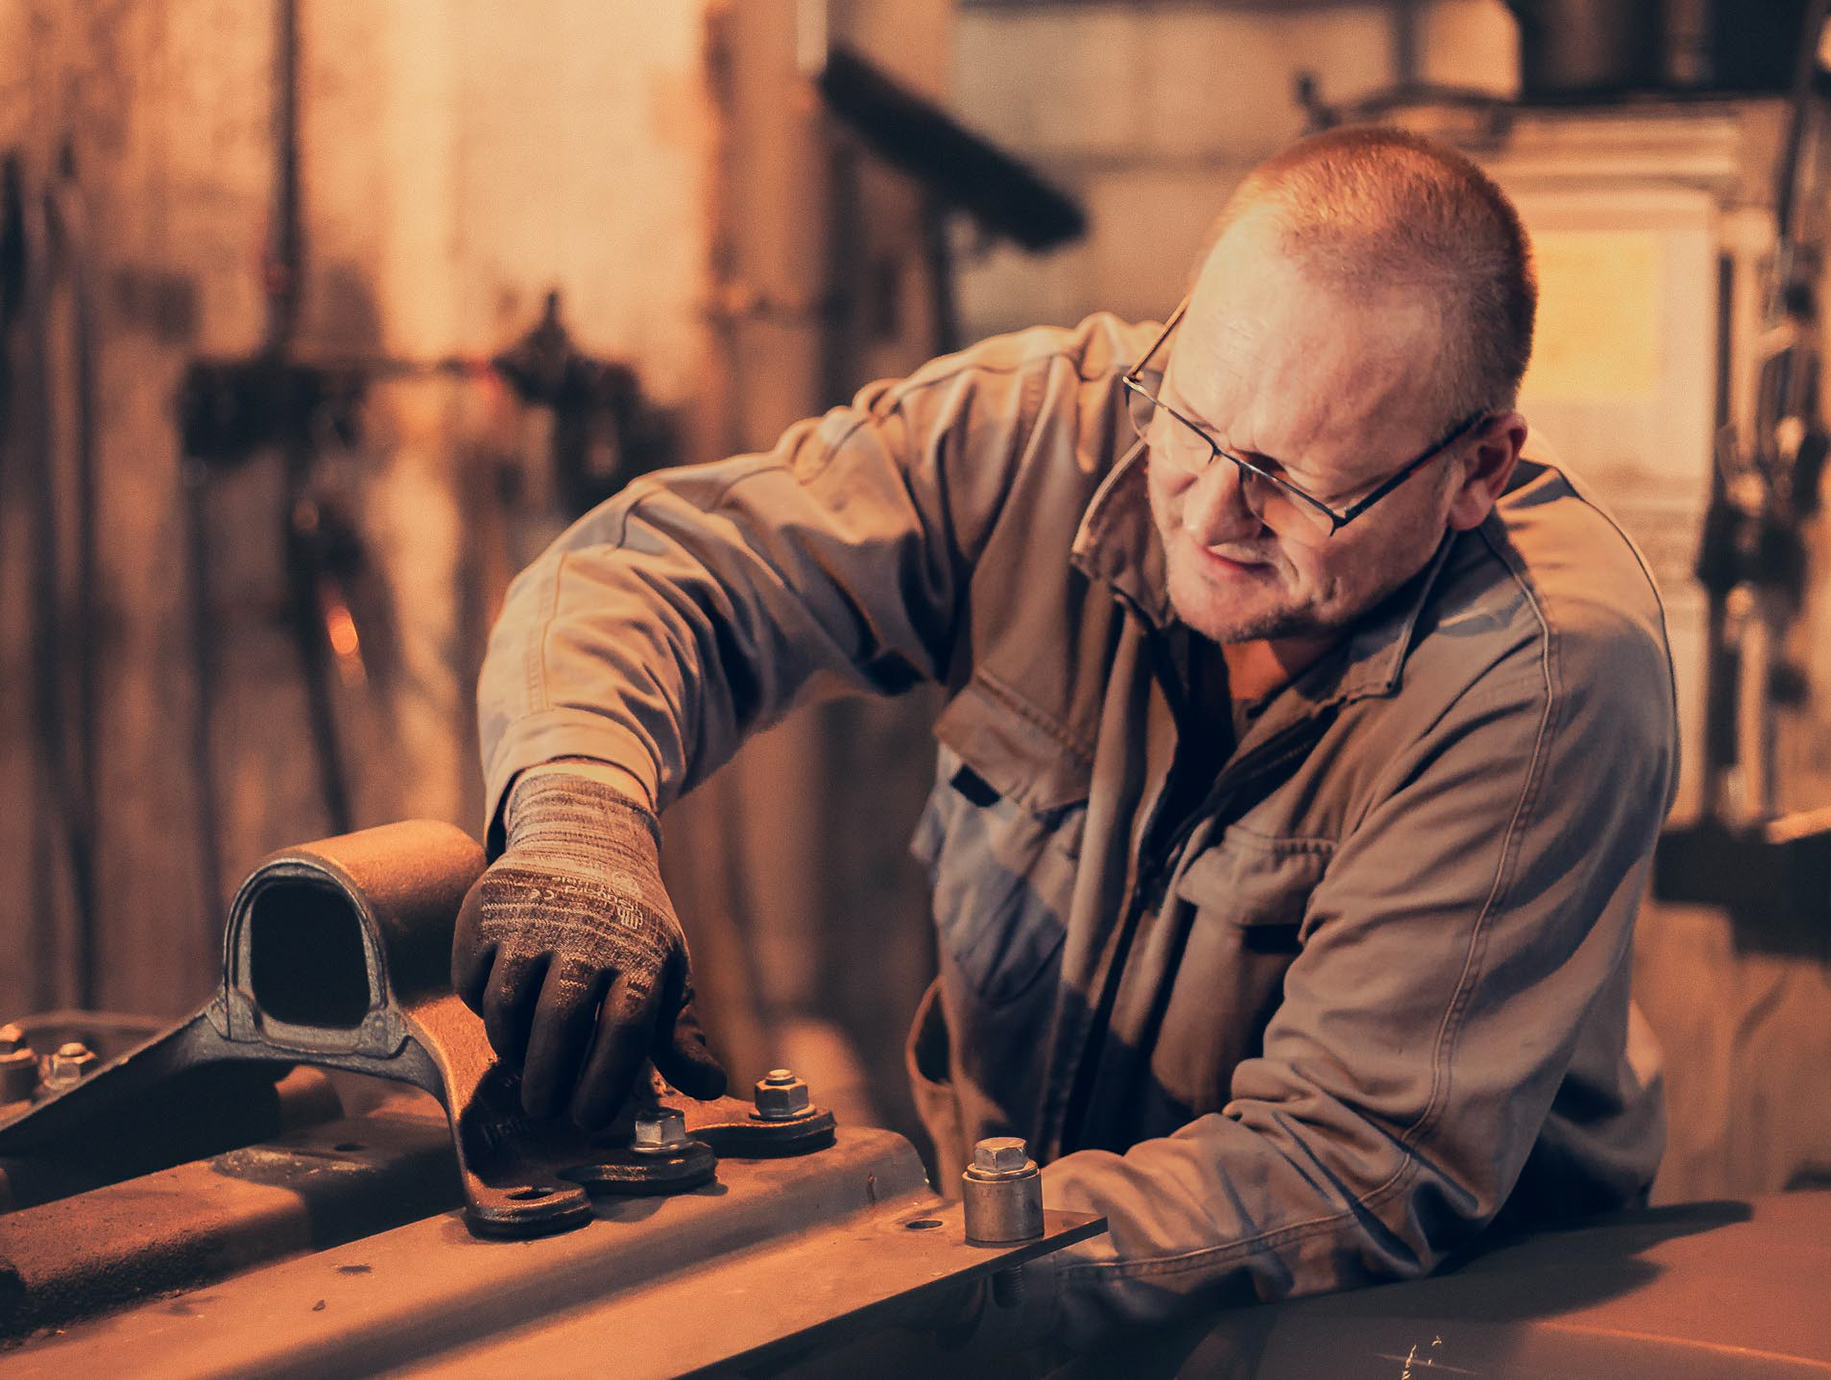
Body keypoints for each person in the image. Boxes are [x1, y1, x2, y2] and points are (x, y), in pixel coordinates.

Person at [454, 125, 1677, 1350]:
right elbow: (651, 572)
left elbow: (1346, 1162)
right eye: (1190, 418)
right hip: (1019, 1290)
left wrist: (889, 1282)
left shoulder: (1543, 667)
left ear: (1476, 470)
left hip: (1376, 1343)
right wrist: (578, 811)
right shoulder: (1045, 435)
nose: (1207, 510)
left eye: (1293, 485)